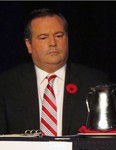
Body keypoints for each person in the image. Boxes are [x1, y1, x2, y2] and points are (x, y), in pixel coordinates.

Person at [0, 8, 109, 136]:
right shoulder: (6, 85)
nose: (52, 43)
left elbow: (106, 142)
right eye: (43, 38)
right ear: (29, 45)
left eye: (58, 36)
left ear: (67, 39)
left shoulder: (95, 82)